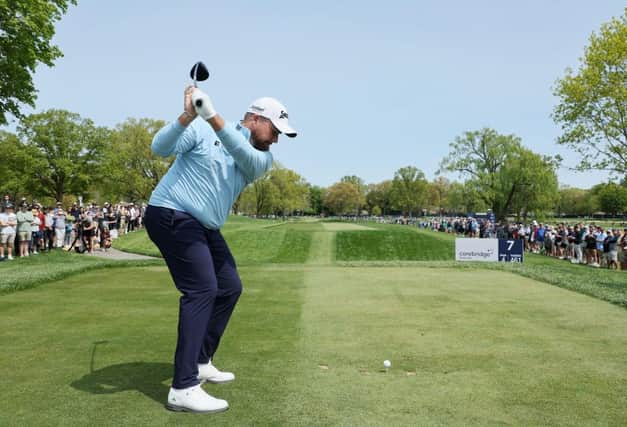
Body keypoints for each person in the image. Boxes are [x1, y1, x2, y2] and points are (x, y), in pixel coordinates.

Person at [144, 85, 297, 413]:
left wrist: (212, 116)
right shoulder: (199, 128)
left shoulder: (260, 159)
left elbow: (241, 153)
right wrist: (188, 116)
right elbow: (159, 147)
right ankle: (182, 387)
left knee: (229, 287)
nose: (276, 139)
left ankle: (200, 362)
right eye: (274, 130)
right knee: (201, 290)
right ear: (255, 119)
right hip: (170, 212)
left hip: (203, 225)